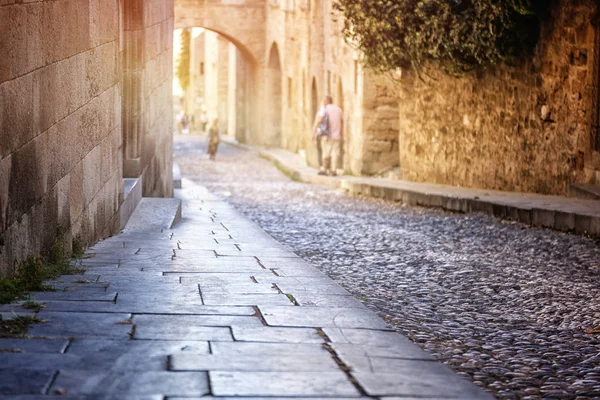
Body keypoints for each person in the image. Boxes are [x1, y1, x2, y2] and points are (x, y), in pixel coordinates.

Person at [312, 95, 343, 176]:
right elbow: (341, 122)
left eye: (324, 101)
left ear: (326, 101)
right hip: (337, 135)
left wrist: (314, 132)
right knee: (335, 153)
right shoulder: (338, 109)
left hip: (326, 135)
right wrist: (341, 133)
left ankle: (325, 169)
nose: (323, 103)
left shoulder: (324, 109)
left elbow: (319, 120)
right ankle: (334, 170)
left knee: (325, 153)